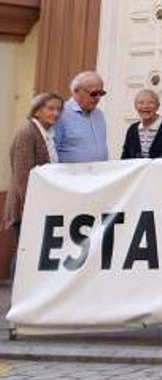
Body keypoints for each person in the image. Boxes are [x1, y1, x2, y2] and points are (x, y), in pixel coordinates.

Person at [4, 92, 64, 282]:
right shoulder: (27, 133)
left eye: (58, 110)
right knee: (24, 253)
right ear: (37, 111)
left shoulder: (47, 134)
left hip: (41, 204)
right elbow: (23, 176)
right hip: (25, 206)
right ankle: (17, 298)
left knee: (33, 252)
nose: (56, 113)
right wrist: (33, 207)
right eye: (50, 108)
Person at [53, 70, 109, 163]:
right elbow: (52, 150)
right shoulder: (61, 113)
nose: (98, 98)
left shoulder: (99, 114)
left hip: (98, 174)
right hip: (71, 175)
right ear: (76, 91)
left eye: (101, 93)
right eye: (94, 93)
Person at [122, 89, 162, 159]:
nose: (145, 106)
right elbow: (125, 158)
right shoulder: (132, 130)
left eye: (151, 102)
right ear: (135, 106)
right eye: (141, 103)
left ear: (158, 106)